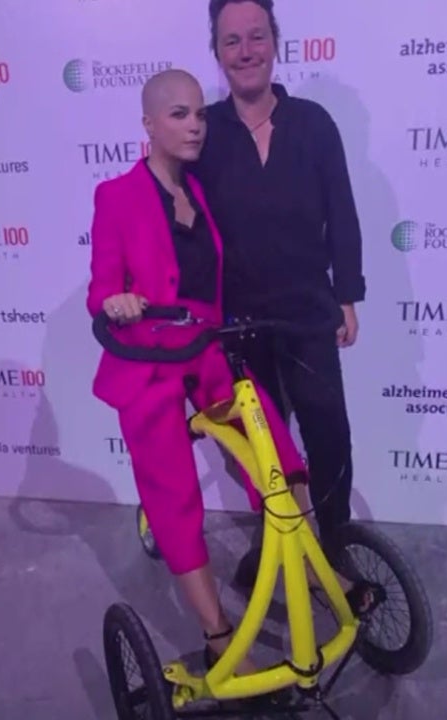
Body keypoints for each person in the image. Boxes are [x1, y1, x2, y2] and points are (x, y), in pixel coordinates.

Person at [86, 69, 379, 678]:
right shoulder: (116, 195)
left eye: (199, 113)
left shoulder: (203, 190)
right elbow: (101, 287)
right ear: (148, 125)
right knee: (173, 492)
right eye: (178, 115)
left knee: (275, 452)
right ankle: (218, 632)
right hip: (146, 360)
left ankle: (314, 572)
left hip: (205, 347)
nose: (195, 125)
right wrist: (117, 301)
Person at [193, 0, 364, 587]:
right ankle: (277, 538)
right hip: (235, 324)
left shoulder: (314, 124)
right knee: (261, 451)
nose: (246, 51)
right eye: (232, 41)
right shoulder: (204, 133)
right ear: (217, 52)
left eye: (257, 36)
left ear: (275, 41)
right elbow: (179, 215)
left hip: (308, 312)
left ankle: (334, 546)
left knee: (329, 435)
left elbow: (342, 212)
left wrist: (347, 295)